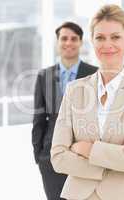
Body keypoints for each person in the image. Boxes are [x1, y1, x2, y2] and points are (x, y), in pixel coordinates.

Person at [50, 4, 124, 200]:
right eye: (100, 37)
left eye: (115, 37)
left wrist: (85, 149)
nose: (107, 44)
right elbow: (58, 157)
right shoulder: (75, 90)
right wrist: (116, 157)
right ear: (92, 40)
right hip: (78, 195)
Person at [31, 21, 97, 200]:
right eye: (64, 38)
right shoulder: (44, 76)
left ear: (81, 42)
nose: (69, 43)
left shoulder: (94, 74)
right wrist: (39, 156)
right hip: (51, 157)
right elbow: (38, 119)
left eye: (74, 39)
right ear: (57, 42)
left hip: (84, 157)